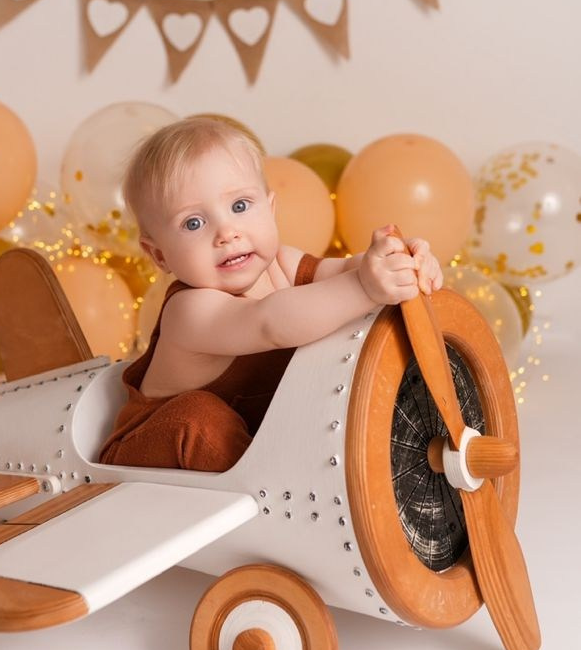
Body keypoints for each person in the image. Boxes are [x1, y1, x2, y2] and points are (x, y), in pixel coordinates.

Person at [97, 117, 443, 473]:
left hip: (250, 443)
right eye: (193, 223)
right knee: (198, 420)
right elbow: (268, 322)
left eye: (240, 206)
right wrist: (364, 286)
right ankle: (274, 489)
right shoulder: (188, 311)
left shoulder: (282, 263)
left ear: (271, 209)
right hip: (154, 447)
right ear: (159, 255)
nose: (227, 232)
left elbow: (343, 271)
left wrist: (394, 261)